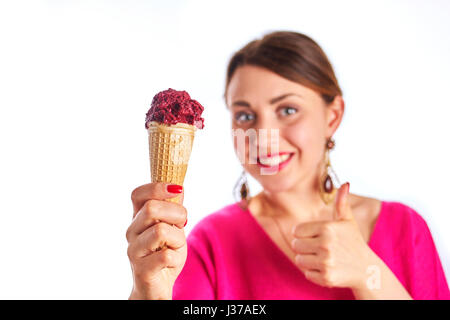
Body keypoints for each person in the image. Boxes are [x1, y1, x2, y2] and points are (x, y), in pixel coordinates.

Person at [126, 31, 450, 300]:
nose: (263, 139)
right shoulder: (208, 245)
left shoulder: (405, 229)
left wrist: (369, 273)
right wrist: (149, 289)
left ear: (332, 116)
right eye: (245, 115)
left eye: (288, 110)